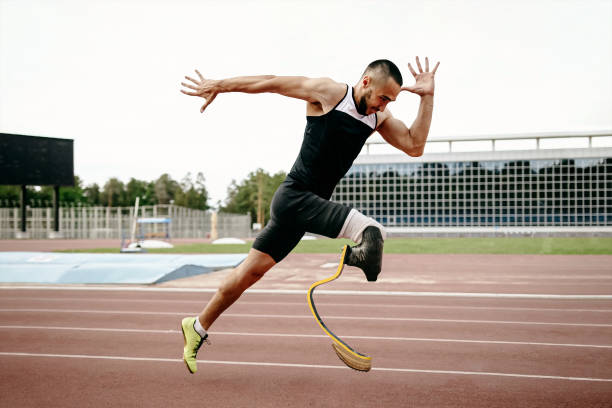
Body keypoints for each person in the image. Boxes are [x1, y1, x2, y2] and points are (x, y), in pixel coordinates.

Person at [179, 57, 439, 373]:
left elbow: (415, 145)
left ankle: (198, 325)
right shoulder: (329, 93)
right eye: (383, 97)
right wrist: (219, 84)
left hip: (304, 208)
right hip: (294, 198)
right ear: (366, 82)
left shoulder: (378, 118)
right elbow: (270, 81)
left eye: (391, 101)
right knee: (370, 232)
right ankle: (356, 256)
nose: (384, 106)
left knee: (251, 272)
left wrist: (427, 97)